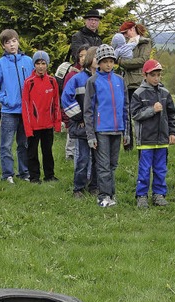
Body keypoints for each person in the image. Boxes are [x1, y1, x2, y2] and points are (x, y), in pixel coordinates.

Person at [84, 45, 130, 207]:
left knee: (112, 165)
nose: (109, 65)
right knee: (103, 166)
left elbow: (125, 108)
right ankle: (103, 196)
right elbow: (88, 110)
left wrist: (127, 132)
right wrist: (90, 135)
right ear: (99, 63)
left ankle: (111, 194)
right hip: (101, 130)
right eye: (105, 62)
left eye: (111, 61)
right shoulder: (92, 81)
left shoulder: (120, 81)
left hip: (117, 130)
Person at [0, 29, 34, 184]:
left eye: (14, 41)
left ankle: (24, 173)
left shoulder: (28, 61)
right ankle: (7, 174)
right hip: (9, 111)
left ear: (18, 41)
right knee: (6, 144)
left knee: (24, 143)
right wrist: (6, 99)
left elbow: (35, 83)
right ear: (3, 46)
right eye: (8, 42)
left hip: (26, 111)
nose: (12, 44)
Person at [131, 60, 175, 208]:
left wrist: (172, 132)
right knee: (144, 170)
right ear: (145, 75)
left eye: (158, 75)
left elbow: (171, 114)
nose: (156, 78)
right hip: (145, 140)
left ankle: (159, 194)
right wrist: (152, 110)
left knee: (160, 169)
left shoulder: (165, 93)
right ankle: (142, 195)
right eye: (153, 75)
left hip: (162, 139)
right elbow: (135, 114)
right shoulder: (138, 93)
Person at [61, 46, 99, 198]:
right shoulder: (77, 79)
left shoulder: (104, 79)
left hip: (99, 127)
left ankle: (94, 186)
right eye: (96, 57)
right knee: (82, 158)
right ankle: (78, 187)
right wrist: (81, 118)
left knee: (97, 160)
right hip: (83, 127)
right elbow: (66, 99)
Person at [22, 51, 62, 183]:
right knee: (32, 153)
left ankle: (49, 175)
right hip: (34, 125)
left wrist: (57, 123)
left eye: (43, 63)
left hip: (48, 124)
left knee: (48, 151)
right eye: (38, 63)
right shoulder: (29, 82)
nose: (40, 67)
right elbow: (26, 107)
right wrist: (28, 128)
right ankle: (34, 177)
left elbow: (56, 103)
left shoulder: (52, 81)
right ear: (34, 65)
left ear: (47, 65)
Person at [118, 21, 153, 151]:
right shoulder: (125, 44)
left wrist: (123, 62)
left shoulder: (145, 42)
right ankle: (128, 146)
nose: (125, 36)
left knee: (140, 115)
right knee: (126, 115)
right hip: (125, 83)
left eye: (126, 32)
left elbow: (143, 61)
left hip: (138, 83)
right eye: (123, 34)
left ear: (133, 29)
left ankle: (143, 143)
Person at [62, 45, 88, 161]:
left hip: (88, 117)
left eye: (85, 55)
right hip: (75, 115)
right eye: (80, 55)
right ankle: (70, 155)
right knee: (74, 139)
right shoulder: (72, 75)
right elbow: (66, 97)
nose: (82, 58)